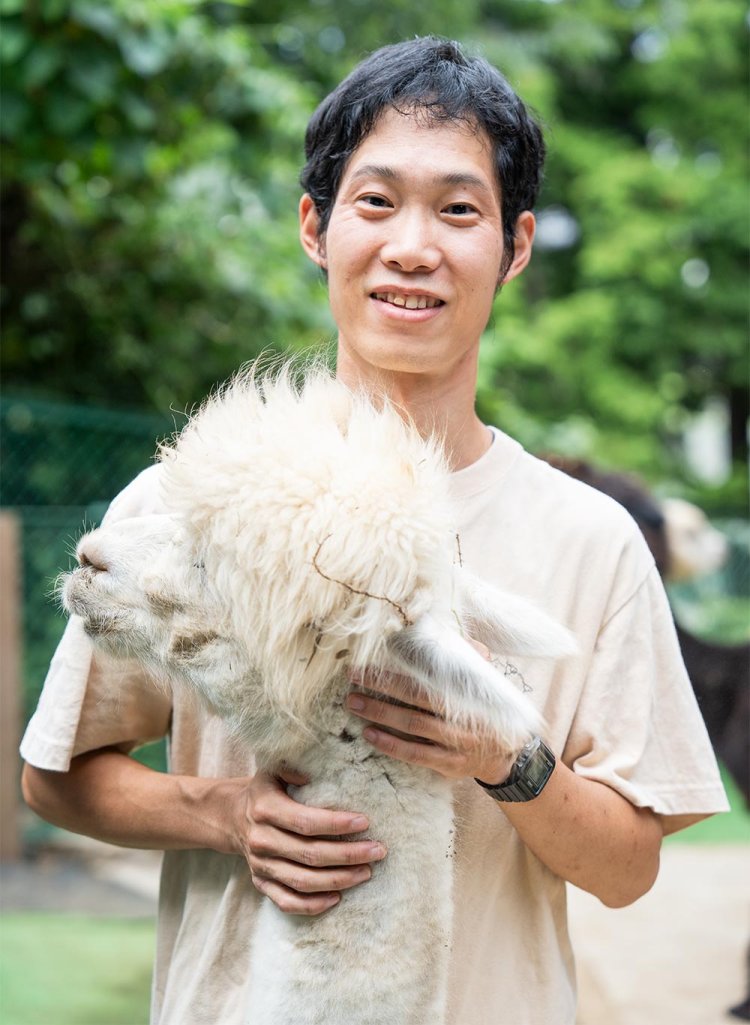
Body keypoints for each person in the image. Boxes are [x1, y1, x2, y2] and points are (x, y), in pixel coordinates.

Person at [21, 36, 728, 1025]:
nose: (412, 246)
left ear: (515, 245)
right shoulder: (185, 504)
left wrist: (507, 755)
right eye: (376, 200)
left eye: (458, 209)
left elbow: (628, 865)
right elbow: (57, 774)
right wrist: (228, 814)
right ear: (316, 226)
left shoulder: (591, 539)